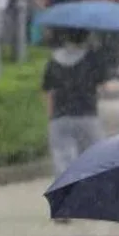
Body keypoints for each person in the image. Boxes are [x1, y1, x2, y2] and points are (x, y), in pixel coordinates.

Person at [41, 28, 109, 192]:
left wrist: (50, 115)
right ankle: (90, 197)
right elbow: (103, 86)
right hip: (87, 115)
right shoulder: (92, 59)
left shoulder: (53, 61)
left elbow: (47, 91)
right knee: (92, 158)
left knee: (62, 159)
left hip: (60, 116)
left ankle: (63, 199)